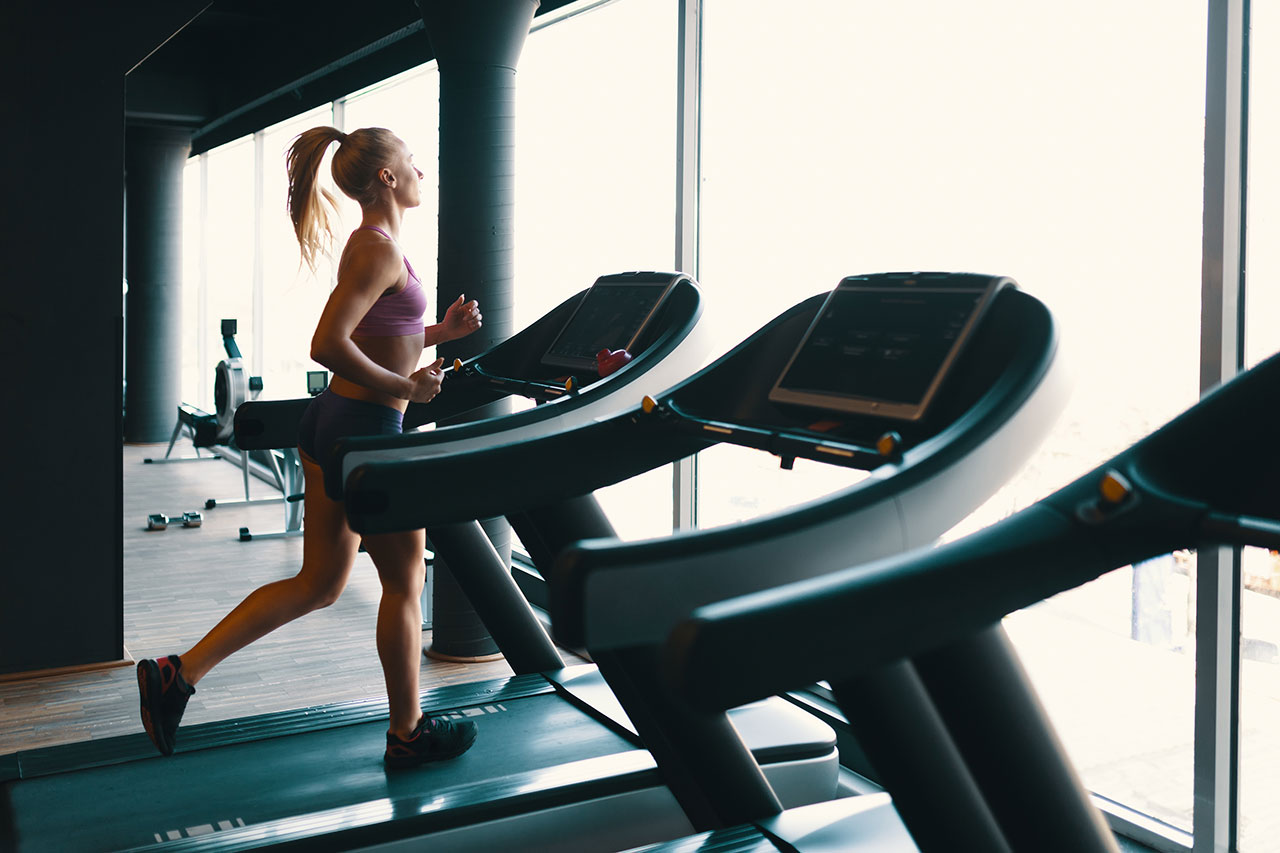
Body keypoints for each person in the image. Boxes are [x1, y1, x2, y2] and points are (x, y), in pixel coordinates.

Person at [136, 126, 484, 768]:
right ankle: (407, 734)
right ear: (385, 177)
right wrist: (409, 386)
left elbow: (384, 332)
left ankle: (177, 674)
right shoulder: (377, 249)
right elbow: (328, 344)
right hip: (367, 431)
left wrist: (440, 332)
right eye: (411, 163)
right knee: (406, 583)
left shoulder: (377, 247)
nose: (419, 174)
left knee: (320, 582)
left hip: (335, 424)